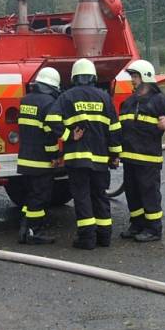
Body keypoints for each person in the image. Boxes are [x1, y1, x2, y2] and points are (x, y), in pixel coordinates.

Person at [46, 58, 122, 250]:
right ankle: (104, 237)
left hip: (77, 158)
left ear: (74, 77)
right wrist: (115, 154)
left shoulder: (67, 96)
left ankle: (87, 239)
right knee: (100, 195)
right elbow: (114, 128)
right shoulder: (104, 97)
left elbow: (51, 120)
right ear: (93, 77)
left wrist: (68, 136)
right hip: (100, 159)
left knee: (82, 197)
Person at [117, 59, 165, 243]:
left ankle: (154, 229)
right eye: (132, 76)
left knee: (149, 193)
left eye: (135, 76)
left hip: (148, 159)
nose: (133, 80)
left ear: (145, 77)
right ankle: (137, 224)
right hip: (129, 159)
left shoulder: (158, 100)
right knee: (133, 193)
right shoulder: (128, 102)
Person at [16, 67, 62, 244]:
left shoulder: (25, 100)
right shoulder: (49, 103)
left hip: (25, 159)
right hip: (41, 161)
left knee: (31, 196)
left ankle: (24, 228)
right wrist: (54, 156)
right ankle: (34, 233)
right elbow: (50, 136)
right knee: (40, 198)